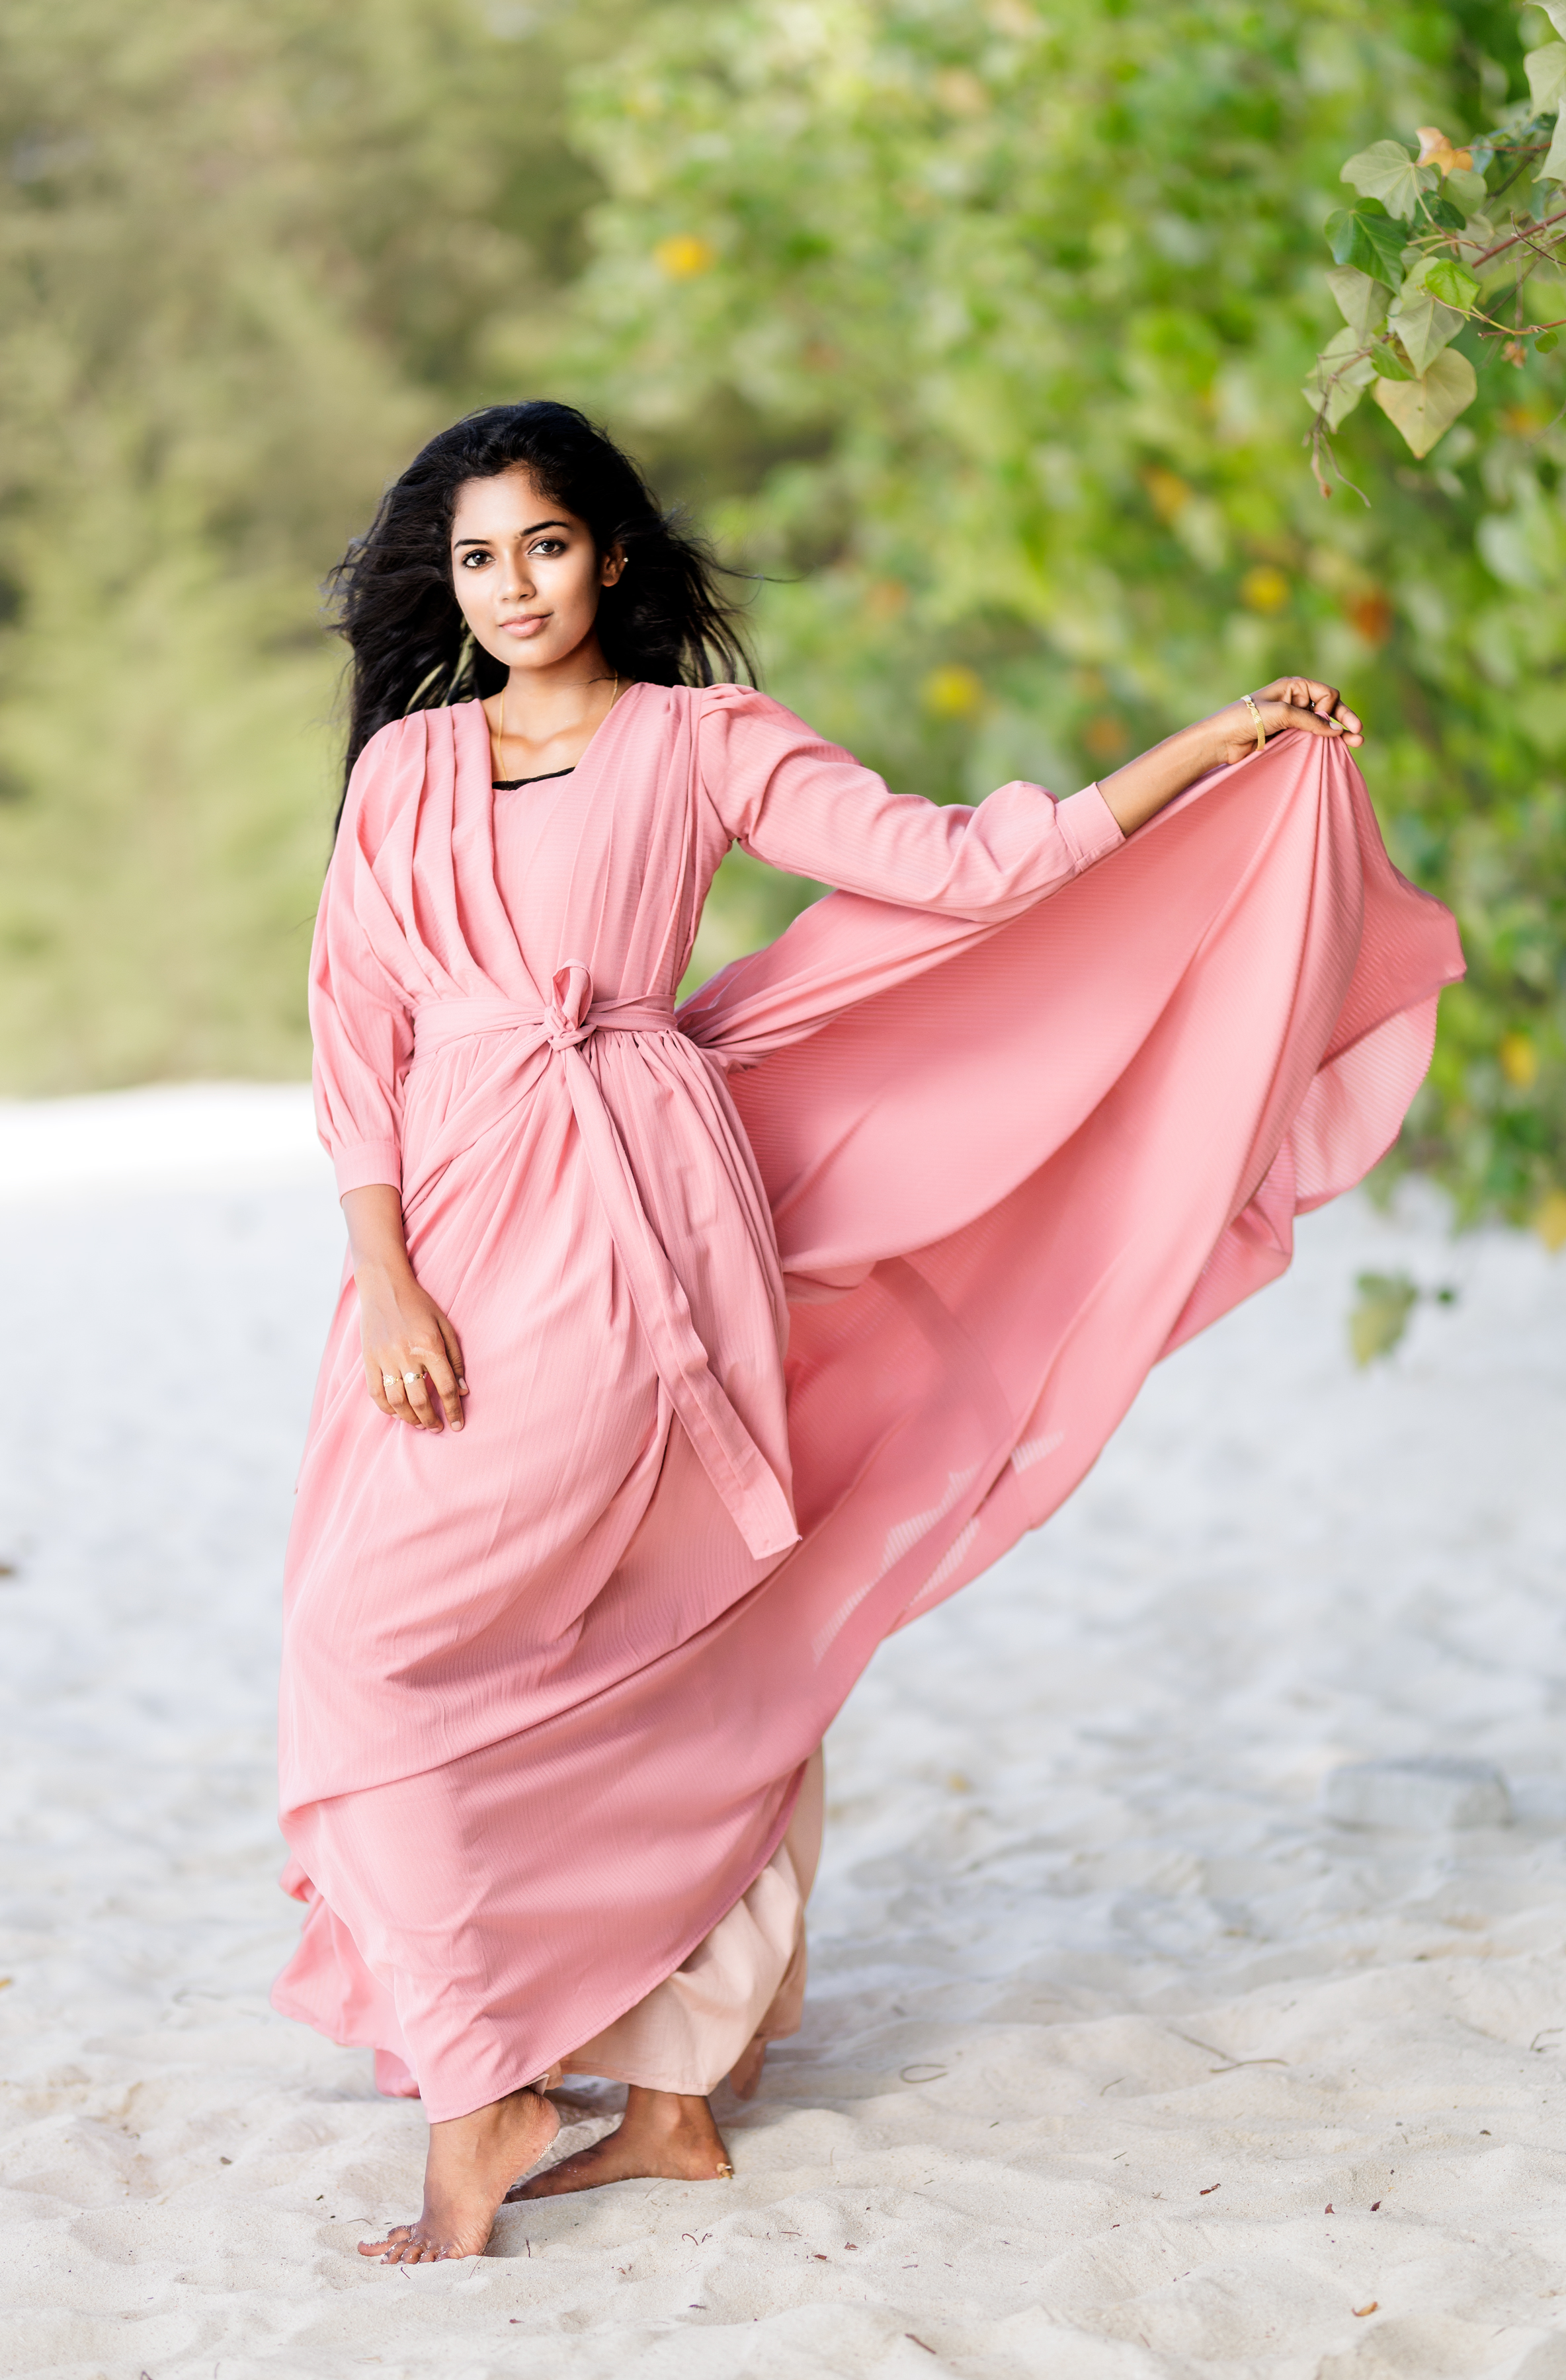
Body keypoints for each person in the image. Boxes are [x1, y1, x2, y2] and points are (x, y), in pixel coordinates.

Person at [271, 401, 1462, 2265]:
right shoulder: (405, 777)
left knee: (503, 1628)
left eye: (550, 546)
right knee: (443, 1626)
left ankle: (486, 2097)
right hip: (443, 1232)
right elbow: (357, 1045)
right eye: (480, 556)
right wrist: (394, 1274)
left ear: (615, 558)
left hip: (638, 1224)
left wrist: (1213, 747)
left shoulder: (700, 742)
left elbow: (969, 869)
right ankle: (656, 2094)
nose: (515, 588)